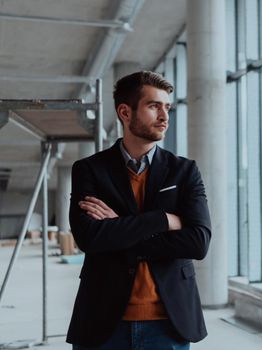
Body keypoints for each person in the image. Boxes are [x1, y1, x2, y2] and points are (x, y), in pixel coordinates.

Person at [66, 71, 211, 349]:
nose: (164, 116)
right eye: (154, 106)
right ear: (125, 112)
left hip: (169, 323)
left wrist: (121, 227)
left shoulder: (184, 171)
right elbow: (89, 239)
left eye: (167, 107)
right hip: (103, 321)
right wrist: (163, 219)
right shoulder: (89, 170)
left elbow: (198, 242)